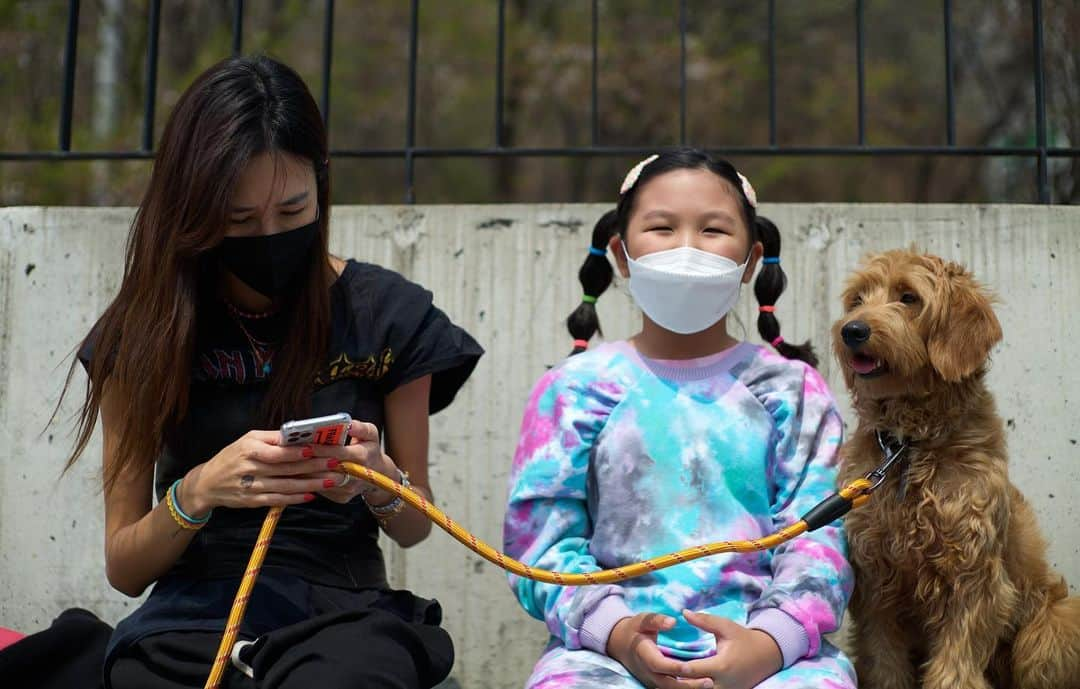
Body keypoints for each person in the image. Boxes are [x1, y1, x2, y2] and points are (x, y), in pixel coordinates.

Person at [62, 54, 482, 689]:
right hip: (189, 620)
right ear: (194, 214)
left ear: (322, 183)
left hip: (343, 615)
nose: (269, 234)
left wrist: (377, 479)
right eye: (238, 221)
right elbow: (125, 566)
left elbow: (416, 525)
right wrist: (200, 490)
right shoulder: (143, 331)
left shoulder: (387, 315)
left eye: (292, 211)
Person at [503, 149, 854, 689]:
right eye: (662, 228)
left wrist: (767, 645)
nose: (687, 248)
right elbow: (543, 547)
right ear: (622, 255)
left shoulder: (792, 390)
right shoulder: (572, 390)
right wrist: (618, 634)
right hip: (606, 657)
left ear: (751, 261)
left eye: (714, 230)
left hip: (772, 659)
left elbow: (819, 540)